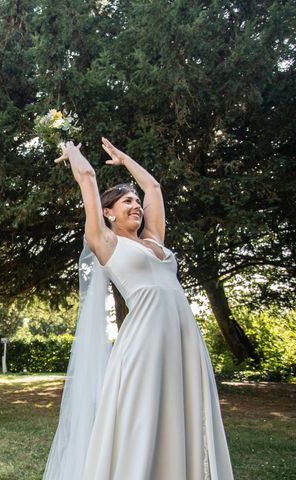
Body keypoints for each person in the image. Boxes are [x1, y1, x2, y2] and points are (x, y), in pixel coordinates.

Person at [43, 139, 234, 479]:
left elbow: (153, 186)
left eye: (136, 202)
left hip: (183, 338)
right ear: (108, 212)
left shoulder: (154, 239)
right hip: (143, 342)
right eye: (127, 201)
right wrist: (70, 148)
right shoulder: (104, 241)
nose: (136, 206)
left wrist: (123, 159)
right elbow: (87, 177)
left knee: (183, 410)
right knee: (143, 415)